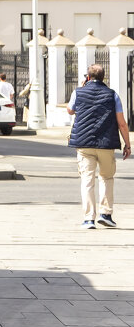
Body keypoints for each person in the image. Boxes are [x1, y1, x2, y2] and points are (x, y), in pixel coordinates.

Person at [65, 64, 131, 229]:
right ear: (103, 78)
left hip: (84, 143)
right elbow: (122, 123)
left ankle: (88, 219)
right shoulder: (112, 95)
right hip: (106, 143)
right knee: (107, 177)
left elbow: (70, 110)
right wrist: (127, 144)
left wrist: (81, 88)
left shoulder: (77, 92)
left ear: (88, 77)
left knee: (87, 180)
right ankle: (106, 214)